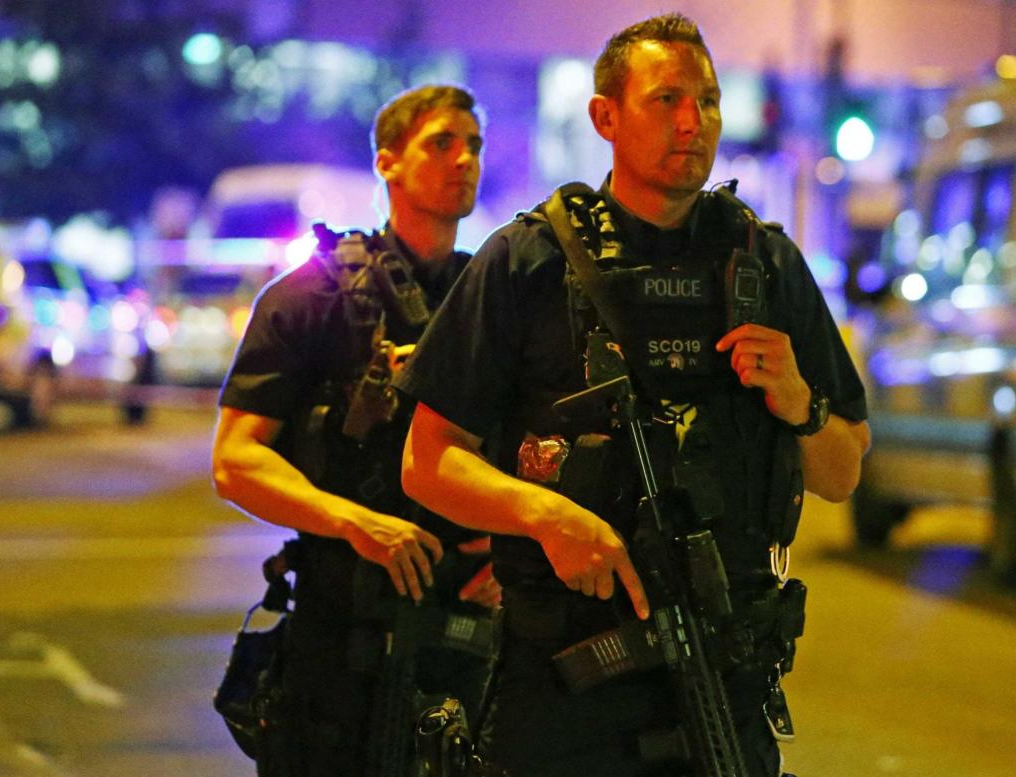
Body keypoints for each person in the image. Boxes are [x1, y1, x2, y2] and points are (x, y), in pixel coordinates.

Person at [397, 14, 870, 777]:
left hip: (721, 689)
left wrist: (800, 401)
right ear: (605, 117)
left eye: (709, 101)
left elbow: (843, 472)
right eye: (668, 99)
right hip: (561, 702)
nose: (694, 122)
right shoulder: (527, 260)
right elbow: (426, 462)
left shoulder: (767, 264)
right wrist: (547, 516)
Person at [212, 84, 499, 776]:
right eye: (442, 142)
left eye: (474, 145)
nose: (464, 159)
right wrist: (354, 523)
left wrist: (506, 553)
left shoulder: (491, 298)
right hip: (341, 644)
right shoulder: (312, 297)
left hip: (462, 641)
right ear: (387, 162)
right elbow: (235, 461)